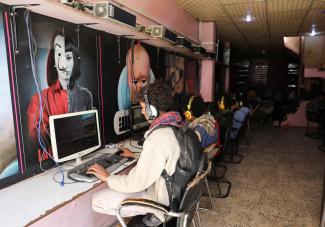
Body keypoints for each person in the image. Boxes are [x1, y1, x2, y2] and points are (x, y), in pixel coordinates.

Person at [88, 80, 185, 222]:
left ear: (153, 109)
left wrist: (108, 177)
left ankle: (144, 220)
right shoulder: (178, 125)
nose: (143, 112)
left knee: (97, 200)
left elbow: (136, 182)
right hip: (176, 196)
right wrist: (136, 155)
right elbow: (165, 158)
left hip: (161, 202)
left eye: (144, 108)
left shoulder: (157, 137)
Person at [27, 32, 93, 143]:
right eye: (59, 55)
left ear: (75, 61)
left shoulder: (86, 96)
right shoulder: (40, 99)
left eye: (68, 57)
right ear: (53, 60)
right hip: (56, 158)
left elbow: (90, 128)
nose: (63, 65)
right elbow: (35, 135)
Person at [117, 44, 155, 110]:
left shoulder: (150, 82)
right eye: (135, 81)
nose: (139, 85)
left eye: (144, 81)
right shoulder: (124, 81)